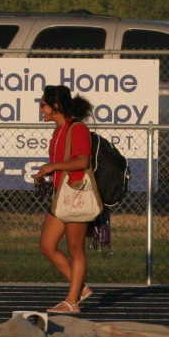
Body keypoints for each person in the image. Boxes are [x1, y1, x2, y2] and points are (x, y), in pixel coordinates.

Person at [32, 84, 95, 314]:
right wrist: (47, 172)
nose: (42, 110)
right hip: (60, 196)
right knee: (47, 246)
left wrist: (54, 166)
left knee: (75, 249)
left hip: (76, 194)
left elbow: (82, 161)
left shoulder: (77, 129)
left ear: (56, 106)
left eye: (44, 105)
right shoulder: (58, 130)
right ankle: (80, 288)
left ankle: (72, 302)